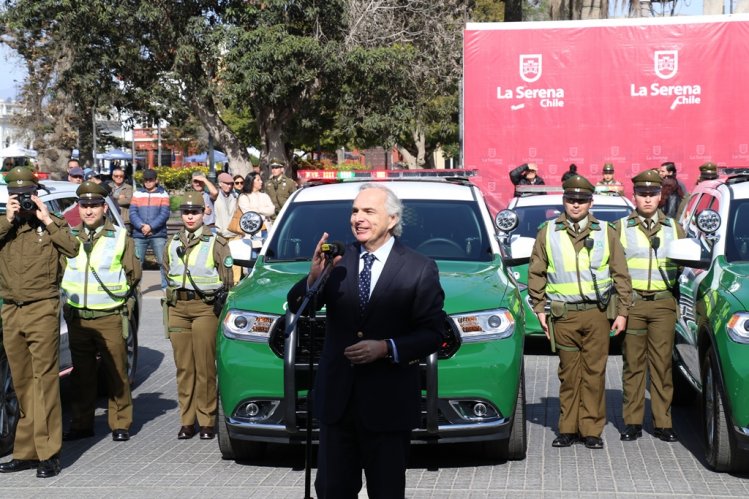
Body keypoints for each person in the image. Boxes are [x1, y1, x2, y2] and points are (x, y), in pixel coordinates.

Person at [287, 183, 445, 498]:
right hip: (338, 404)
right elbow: (298, 306)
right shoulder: (338, 262)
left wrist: (387, 347)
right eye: (355, 211)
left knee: (386, 492)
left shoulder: (419, 268)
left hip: (387, 406)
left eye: (368, 211)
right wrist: (314, 277)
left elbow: (433, 334)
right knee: (332, 490)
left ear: (391, 219)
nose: (358, 218)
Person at [527, 175, 632, 450]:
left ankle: (591, 430)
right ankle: (567, 428)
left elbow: (621, 273)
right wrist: (539, 307)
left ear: (590, 202)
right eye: (571, 200)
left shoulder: (606, 232)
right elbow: (536, 272)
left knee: (595, 373)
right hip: (564, 315)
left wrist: (622, 312)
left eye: (582, 200)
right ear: (564, 200)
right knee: (568, 374)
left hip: (597, 314)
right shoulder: (548, 231)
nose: (576, 205)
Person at [0, 167, 79, 478]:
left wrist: (47, 218)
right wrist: (8, 217)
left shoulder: (50, 224)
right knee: (21, 384)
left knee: (44, 382)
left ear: (36, 193)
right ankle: (26, 451)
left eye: (27, 194)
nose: (22, 200)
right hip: (11, 311)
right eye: (16, 195)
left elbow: (73, 249)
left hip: (42, 309)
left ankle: (49, 454)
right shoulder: (5, 226)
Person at [60, 181, 141, 443]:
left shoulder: (119, 237)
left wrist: (118, 300)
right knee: (81, 375)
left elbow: (134, 274)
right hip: (78, 318)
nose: (89, 211)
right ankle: (82, 424)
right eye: (84, 206)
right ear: (79, 209)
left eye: (94, 206)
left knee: (115, 370)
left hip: (108, 316)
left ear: (104, 208)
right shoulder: (70, 237)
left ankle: (120, 423)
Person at [614, 170, 685, 444]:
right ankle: (632, 422)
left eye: (652, 195)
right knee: (633, 364)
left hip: (663, 303)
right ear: (634, 196)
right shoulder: (620, 227)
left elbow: (684, 265)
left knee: (662, 364)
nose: (647, 200)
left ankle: (663, 422)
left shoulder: (674, 228)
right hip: (632, 304)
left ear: (660, 197)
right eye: (642, 195)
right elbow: (614, 268)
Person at [162, 192, 234, 440]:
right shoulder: (172, 241)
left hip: (205, 307)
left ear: (205, 212)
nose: (190, 216)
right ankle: (187, 420)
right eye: (185, 212)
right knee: (184, 367)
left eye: (194, 212)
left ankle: (206, 420)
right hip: (177, 308)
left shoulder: (216, 241)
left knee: (204, 366)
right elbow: (166, 268)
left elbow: (227, 278)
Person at [129, 168, 170, 290]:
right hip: (139, 234)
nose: (148, 182)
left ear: (156, 180)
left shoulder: (163, 194)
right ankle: (135, 289)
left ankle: (165, 289)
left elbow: (164, 214)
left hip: (158, 234)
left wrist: (151, 226)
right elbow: (132, 213)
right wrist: (141, 226)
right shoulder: (137, 194)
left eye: (150, 180)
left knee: (163, 262)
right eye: (146, 180)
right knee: (137, 263)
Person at [237, 171, 275, 254]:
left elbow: (272, 210)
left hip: (267, 230)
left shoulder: (264, 195)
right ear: (251, 181)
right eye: (258, 180)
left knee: (268, 255)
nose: (261, 182)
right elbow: (249, 214)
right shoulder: (244, 196)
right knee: (254, 256)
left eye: (260, 180)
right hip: (253, 232)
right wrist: (264, 211)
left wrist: (257, 209)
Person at [213, 171, 239, 238]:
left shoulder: (235, 196)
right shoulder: (216, 196)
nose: (229, 186)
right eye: (227, 184)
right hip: (220, 234)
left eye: (231, 184)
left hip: (234, 234)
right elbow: (213, 192)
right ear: (220, 184)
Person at [109, 167, 134, 232]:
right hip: (111, 219)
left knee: (125, 239)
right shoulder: (108, 186)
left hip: (124, 219)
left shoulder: (128, 187)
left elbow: (128, 200)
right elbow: (105, 199)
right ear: (113, 177)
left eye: (121, 176)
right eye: (116, 176)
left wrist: (112, 200)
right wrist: (118, 197)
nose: (119, 177)